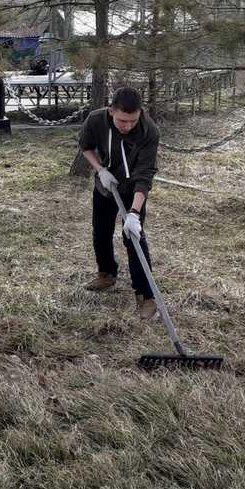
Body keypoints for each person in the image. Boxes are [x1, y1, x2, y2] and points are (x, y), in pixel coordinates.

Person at [78, 86, 161, 320]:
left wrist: (134, 213)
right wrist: (100, 169)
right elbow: (85, 146)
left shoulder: (148, 130)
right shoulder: (96, 120)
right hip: (106, 185)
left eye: (132, 120)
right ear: (111, 110)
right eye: (123, 120)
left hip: (133, 189)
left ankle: (146, 296)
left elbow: (145, 174)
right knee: (101, 231)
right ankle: (106, 274)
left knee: (134, 238)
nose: (128, 126)